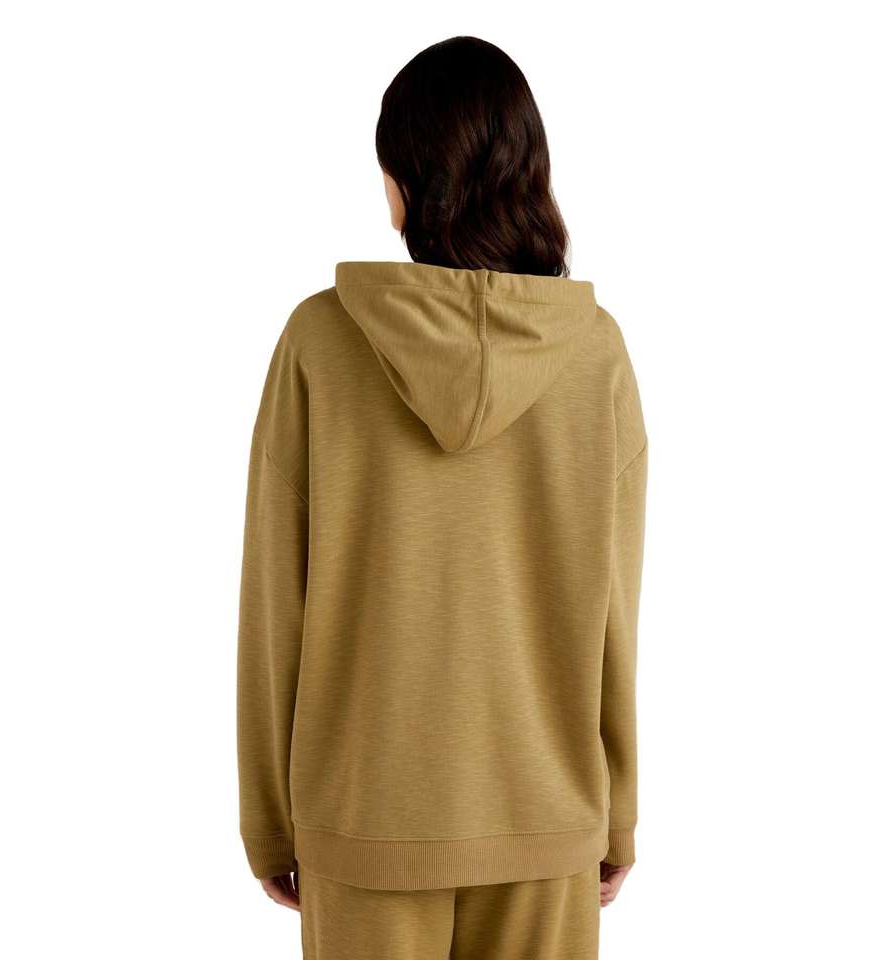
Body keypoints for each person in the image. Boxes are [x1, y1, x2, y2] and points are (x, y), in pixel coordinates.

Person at [236, 35, 648, 960]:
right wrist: (616, 809)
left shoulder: (319, 343)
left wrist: (268, 818)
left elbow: (273, 602)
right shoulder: (597, 355)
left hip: (362, 821)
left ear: (404, 181)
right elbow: (615, 608)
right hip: (546, 820)